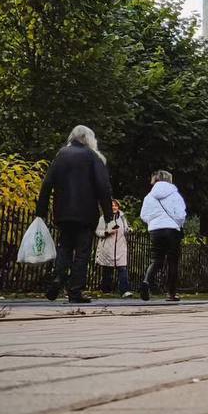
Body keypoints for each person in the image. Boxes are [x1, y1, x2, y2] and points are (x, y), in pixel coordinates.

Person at [36, 125, 113, 305]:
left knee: (64, 247)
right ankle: (75, 291)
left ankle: (58, 278)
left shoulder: (60, 155)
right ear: (88, 139)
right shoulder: (93, 157)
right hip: (85, 214)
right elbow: (103, 187)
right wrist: (108, 215)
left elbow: (47, 184)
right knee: (82, 252)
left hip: (63, 212)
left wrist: (40, 212)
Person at [139, 170, 187, 302]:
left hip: (155, 230)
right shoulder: (175, 195)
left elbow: (143, 215)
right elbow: (181, 214)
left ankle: (146, 281)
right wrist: (178, 223)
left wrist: (153, 222)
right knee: (172, 262)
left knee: (157, 260)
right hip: (172, 230)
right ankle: (171, 293)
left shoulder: (149, 197)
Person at [95, 198, 132, 296]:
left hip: (120, 247)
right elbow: (98, 231)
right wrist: (107, 232)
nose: (114, 207)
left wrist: (129, 230)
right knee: (108, 269)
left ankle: (124, 291)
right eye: (112, 205)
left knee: (122, 268)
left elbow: (126, 228)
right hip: (108, 247)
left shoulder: (123, 218)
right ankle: (106, 291)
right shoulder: (103, 218)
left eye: (116, 205)